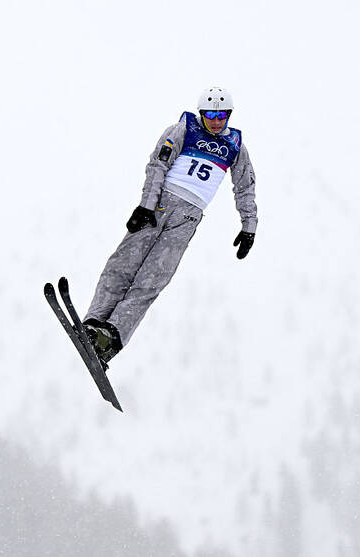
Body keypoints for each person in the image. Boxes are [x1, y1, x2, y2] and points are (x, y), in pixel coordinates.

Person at [83, 86, 258, 364]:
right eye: (210, 115)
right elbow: (158, 164)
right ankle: (93, 323)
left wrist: (249, 226)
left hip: (187, 219)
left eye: (222, 115)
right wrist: (146, 205)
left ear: (229, 115)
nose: (216, 121)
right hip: (160, 205)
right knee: (122, 265)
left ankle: (110, 338)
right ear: (201, 113)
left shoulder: (235, 146)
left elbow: (245, 186)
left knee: (152, 280)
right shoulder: (183, 129)